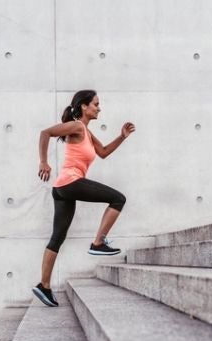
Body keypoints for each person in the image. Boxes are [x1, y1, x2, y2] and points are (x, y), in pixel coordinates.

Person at [32, 89, 135, 307]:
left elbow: (104, 152)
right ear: (83, 107)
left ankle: (44, 285)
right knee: (118, 198)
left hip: (61, 188)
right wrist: (43, 161)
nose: (99, 108)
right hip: (70, 183)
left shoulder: (86, 132)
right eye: (96, 104)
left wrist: (122, 137)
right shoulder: (77, 126)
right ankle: (98, 242)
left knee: (57, 237)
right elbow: (45, 133)